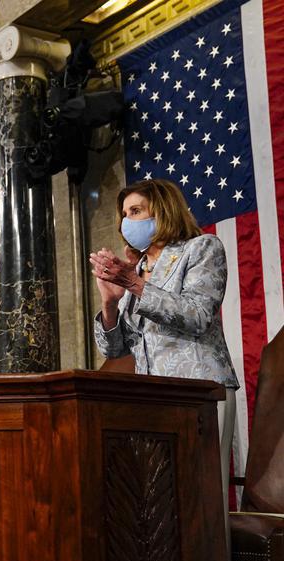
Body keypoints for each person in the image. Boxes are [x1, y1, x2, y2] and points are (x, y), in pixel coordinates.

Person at [89, 178, 238, 535]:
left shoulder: (201, 249)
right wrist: (109, 305)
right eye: (124, 214)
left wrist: (135, 286)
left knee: (200, 504)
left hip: (200, 394)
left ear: (164, 209)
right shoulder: (135, 271)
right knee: (162, 508)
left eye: (136, 211)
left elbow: (197, 316)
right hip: (154, 401)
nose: (128, 221)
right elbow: (116, 349)